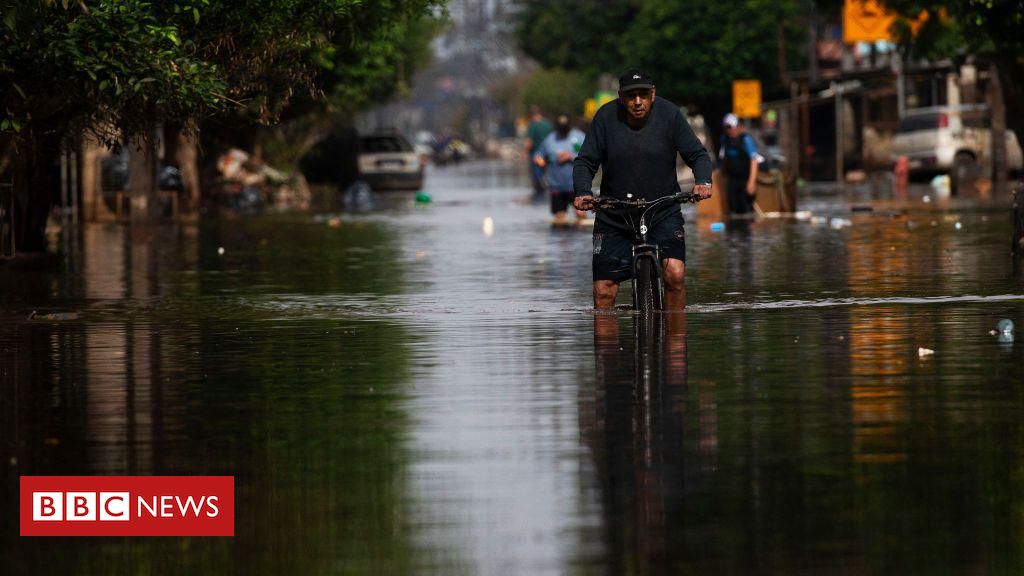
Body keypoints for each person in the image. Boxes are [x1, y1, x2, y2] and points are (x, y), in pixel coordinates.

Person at [573, 68, 713, 310]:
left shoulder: (670, 115)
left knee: (675, 274)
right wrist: (583, 191)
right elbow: (585, 161)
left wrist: (703, 181)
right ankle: (605, 347)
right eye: (631, 96)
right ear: (620, 97)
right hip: (614, 214)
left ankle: (676, 342)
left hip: (663, 211)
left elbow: (698, 155)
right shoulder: (605, 118)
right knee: (604, 290)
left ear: (653, 94)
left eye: (643, 95)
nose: (637, 102)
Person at [534, 114, 588, 224]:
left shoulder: (579, 137)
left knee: (580, 214)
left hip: (576, 185)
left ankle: (580, 240)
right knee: (559, 219)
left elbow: (589, 154)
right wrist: (538, 159)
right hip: (557, 186)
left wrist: (571, 156)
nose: (563, 131)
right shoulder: (550, 139)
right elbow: (539, 154)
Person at [718, 113, 759, 215]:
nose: (730, 130)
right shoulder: (724, 140)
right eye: (727, 127)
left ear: (737, 126)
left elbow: (754, 161)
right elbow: (723, 159)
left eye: (732, 127)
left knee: (745, 208)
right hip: (732, 179)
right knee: (733, 208)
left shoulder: (745, 140)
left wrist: (751, 182)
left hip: (745, 179)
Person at [524, 105, 553, 198]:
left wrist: (524, 153)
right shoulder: (548, 124)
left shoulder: (533, 125)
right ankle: (548, 190)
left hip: (536, 155)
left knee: (537, 176)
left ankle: (540, 193)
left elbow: (529, 142)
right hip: (548, 154)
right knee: (546, 173)